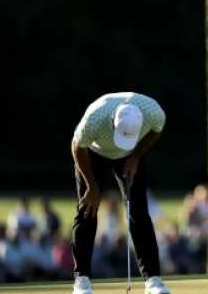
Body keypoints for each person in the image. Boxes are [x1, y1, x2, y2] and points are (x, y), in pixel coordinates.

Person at [70, 92, 171, 294]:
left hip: (129, 155)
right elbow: (77, 147)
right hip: (93, 152)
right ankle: (81, 280)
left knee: (139, 212)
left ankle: (153, 279)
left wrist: (136, 157)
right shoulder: (95, 117)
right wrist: (92, 187)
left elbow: (157, 131)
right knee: (87, 210)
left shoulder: (153, 112)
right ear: (112, 120)